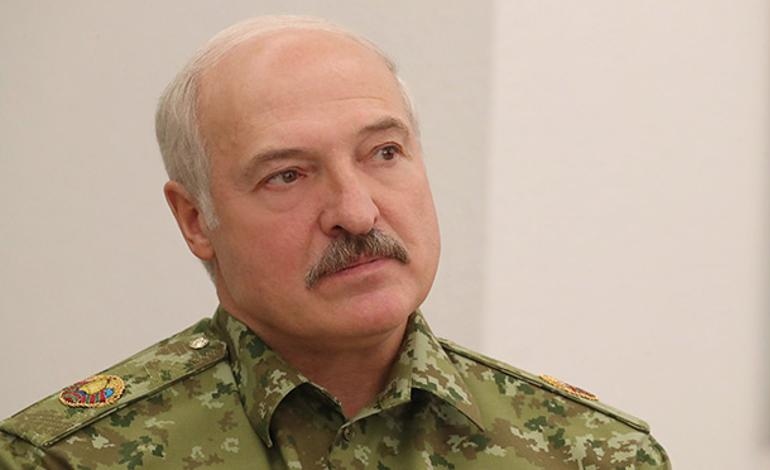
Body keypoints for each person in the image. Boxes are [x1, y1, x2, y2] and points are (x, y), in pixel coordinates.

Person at [0, 16, 670, 469]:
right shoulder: (65, 458)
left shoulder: (589, 453)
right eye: (288, 175)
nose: (356, 211)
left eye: (384, 153)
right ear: (196, 220)